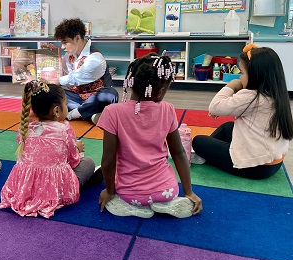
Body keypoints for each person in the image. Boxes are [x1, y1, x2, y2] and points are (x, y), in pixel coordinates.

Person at [97, 53, 203, 218]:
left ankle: (135, 207)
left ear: (130, 81)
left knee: (105, 176)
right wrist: (189, 191)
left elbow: (108, 161)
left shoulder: (112, 112)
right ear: (161, 90)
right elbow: (178, 153)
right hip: (167, 189)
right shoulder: (168, 109)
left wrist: (109, 191)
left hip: (130, 192)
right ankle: (164, 203)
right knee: (165, 187)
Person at [0, 79, 99, 218]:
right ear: (57, 110)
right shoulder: (64, 130)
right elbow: (74, 162)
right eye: (66, 104)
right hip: (53, 188)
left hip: (23, 187)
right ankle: (83, 182)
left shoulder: (24, 128)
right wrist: (76, 148)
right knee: (88, 162)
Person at [192, 44, 293, 180]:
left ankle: (203, 155)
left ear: (256, 76)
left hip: (255, 167)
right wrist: (223, 107)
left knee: (198, 141)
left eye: (242, 73)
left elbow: (214, 107)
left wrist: (231, 86)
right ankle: (207, 154)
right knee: (228, 127)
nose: (239, 78)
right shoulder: (276, 94)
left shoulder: (251, 97)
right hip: (274, 162)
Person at [45, 18, 118, 124]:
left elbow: (74, 78)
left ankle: (71, 114)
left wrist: (54, 81)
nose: (63, 47)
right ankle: (91, 115)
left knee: (110, 94)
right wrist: (54, 57)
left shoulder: (95, 58)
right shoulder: (68, 55)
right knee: (47, 92)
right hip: (76, 98)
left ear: (77, 38)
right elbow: (61, 74)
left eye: (65, 43)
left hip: (95, 98)